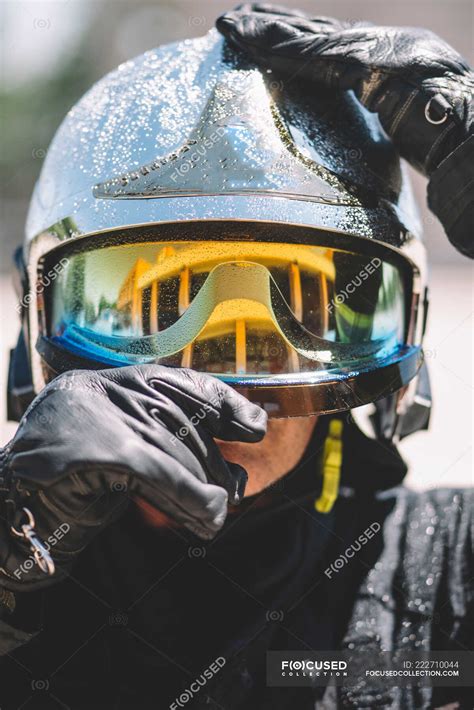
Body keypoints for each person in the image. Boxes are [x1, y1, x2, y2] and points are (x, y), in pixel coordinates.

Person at [0, 7, 472, 709]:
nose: (223, 371)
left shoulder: (445, 580)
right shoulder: (18, 584)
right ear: (42, 321)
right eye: (163, 310)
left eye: (295, 316)